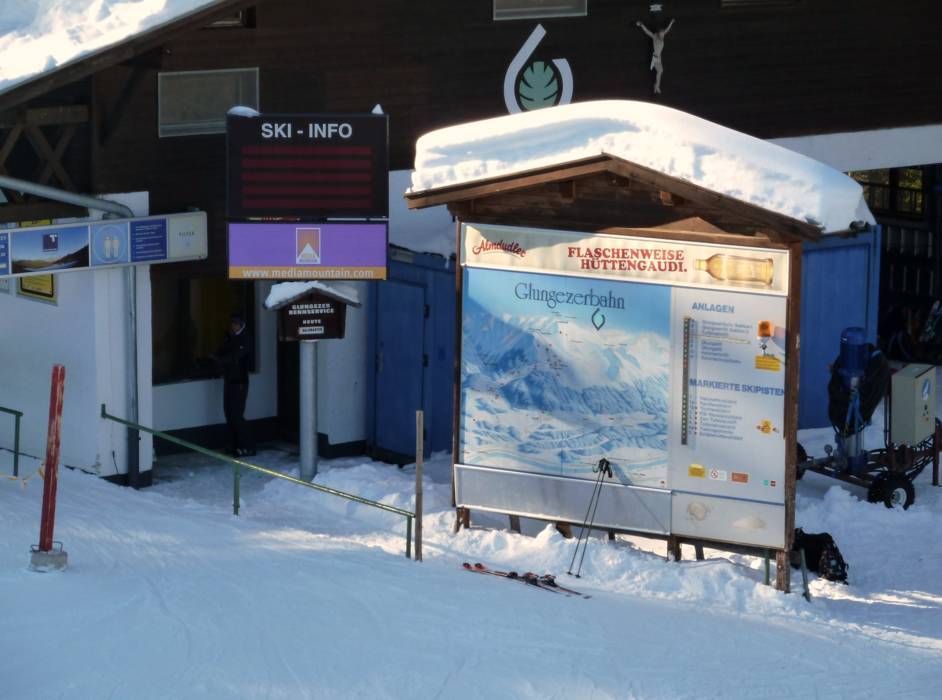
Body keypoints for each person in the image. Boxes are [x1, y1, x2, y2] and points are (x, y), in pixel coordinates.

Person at [216, 311, 255, 457]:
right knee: (229, 413)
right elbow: (222, 352)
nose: (233, 325)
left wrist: (222, 359)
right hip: (230, 380)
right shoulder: (231, 337)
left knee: (237, 415)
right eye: (232, 323)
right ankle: (233, 444)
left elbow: (235, 356)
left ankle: (248, 446)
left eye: (236, 323)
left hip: (239, 382)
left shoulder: (245, 338)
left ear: (241, 324)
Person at [636, 18, 675, 94]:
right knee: (660, 71)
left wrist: (671, 23)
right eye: (661, 33)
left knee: (660, 71)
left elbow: (667, 29)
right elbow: (647, 31)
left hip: (659, 57)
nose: (663, 34)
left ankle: (656, 86)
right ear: (658, 33)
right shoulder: (655, 37)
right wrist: (641, 24)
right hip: (655, 57)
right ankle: (657, 86)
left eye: (663, 33)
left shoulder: (662, 36)